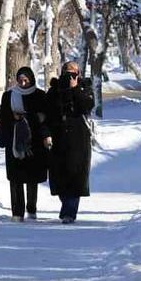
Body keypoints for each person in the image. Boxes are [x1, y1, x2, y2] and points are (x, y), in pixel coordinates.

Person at [0, 66, 50, 221]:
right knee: (15, 178)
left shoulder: (40, 95)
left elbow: (44, 118)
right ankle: (17, 212)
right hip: (14, 141)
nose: (23, 83)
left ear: (31, 79)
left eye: (26, 80)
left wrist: (31, 120)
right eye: (20, 80)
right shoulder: (9, 95)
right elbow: (1, 116)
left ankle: (31, 208)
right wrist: (13, 116)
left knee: (32, 177)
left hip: (34, 142)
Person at [45, 61, 94, 224]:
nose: (70, 75)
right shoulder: (54, 90)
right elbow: (47, 114)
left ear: (79, 73)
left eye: (74, 72)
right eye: (67, 72)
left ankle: (69, 212)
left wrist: (75, 89)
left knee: (76, 175)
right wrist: (46, 134)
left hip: (78, 138)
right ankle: (67, 205)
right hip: (58, 137)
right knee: (60, 176)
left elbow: (86, 107)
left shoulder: (85, 88)